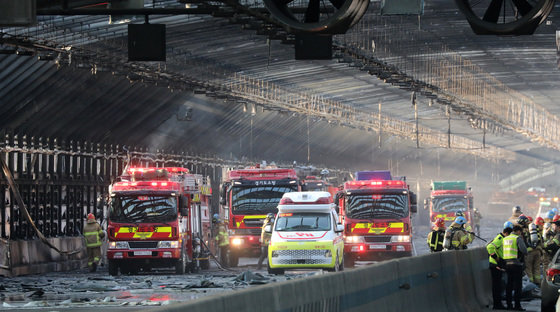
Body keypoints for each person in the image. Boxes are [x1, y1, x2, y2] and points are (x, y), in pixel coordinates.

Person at [487, 221, 513, 310]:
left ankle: (498, 303)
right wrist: (496, 258)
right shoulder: (500, 238)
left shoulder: (503, 238)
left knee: (499, 285)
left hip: (499, 264)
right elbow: (489, 247)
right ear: (506, 232)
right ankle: (497, 304)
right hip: (495, 265)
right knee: (496, 286)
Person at [503, 225, 528, 311]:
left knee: (509, 285)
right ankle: (517, 305)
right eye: (520, 232)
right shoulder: (517, 238)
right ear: (518, 231)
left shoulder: (505, 239)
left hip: (507, 264)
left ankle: (509, 305)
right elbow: (524, 250)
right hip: (516, 264)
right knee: (517, 286)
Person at [524, 217, 543, 285]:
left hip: (529, 252)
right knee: (537, 268)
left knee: (528, 268)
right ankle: (538, 283)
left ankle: (531, 283)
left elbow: (524, 242)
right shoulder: (537, 230)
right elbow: (541, 241)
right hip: (538, 251)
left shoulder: (525, 230)